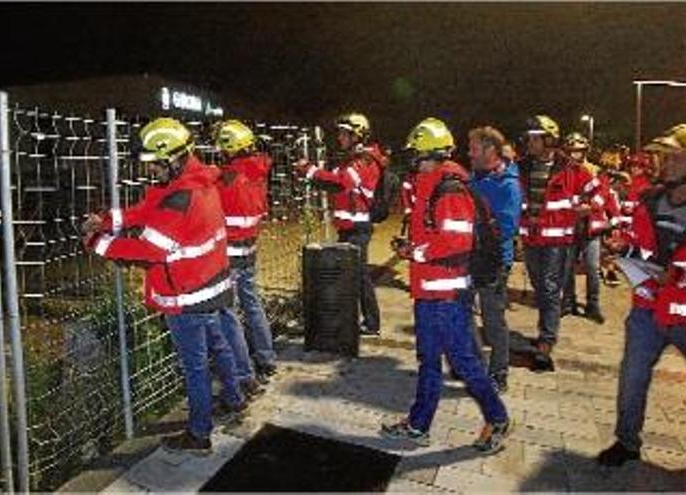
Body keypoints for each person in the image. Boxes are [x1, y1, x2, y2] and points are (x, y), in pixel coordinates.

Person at [83, 117, 244, 455]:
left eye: (155, 164)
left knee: (195, 367)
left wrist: (98, 243)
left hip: (185, 296)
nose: (151, 170)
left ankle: (199, 435)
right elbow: (149, 208)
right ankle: (235, 397)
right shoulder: (198, 181)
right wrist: (109, 220)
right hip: (211, 286)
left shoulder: (180, 199)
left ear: (172, 158)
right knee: (219, 344)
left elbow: (148, 249)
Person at [598, 124, 686, 480]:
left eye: (673, 157)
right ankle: (626, 442)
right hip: (647, 312)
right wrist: (623, 249)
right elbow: (642, 245)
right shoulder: (649, 201)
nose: (662, 164)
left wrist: (684, 277)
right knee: (632, 377)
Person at [380, 117, 513, 453]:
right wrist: (415, 249)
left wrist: (415, 251)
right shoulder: (432, 182)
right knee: (428, 360)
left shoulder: (449, 187)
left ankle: (498, 419)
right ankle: (418, 425)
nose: (412, 160)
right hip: (430, 290)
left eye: (416, 154)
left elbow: (456, 241)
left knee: (465, 362)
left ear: (430, 154)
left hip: (447, 294)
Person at [517, 116, 597, 371]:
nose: (529, 142)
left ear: (549, 139)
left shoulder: (570, 169)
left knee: (550, 288)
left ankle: (546, 343)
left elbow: (599, 191)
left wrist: (586, 209)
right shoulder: (522, 167)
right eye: (529, 137)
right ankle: (546, 329)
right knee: (540, 287)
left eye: (535, 137)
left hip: (558, 242)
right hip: (531, 238)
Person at [295, 112, 384, 335]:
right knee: (352, 276)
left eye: (345, 133)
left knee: (359, 276)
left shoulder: (364, 160)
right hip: (348, 228)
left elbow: (341, 182)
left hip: (357, 229)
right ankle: (356, 319)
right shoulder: (352, 158)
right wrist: (314, 175)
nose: (340, 138)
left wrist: (312, 171)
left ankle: (371, 322)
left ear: (358, 135)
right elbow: (334, 181)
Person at [212, 119, 279, 380]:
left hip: (229, 252)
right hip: (250, 247)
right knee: (252, 303)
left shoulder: (227, 177)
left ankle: (242, 372)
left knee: (228, 313)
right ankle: (266, 357)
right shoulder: (258, 169)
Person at [467, 126, 522, 392]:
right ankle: (474, 365)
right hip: (469, 258)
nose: (469, 153)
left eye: (474, 148)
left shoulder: (507, 184)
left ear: (490, 150)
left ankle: (499, 372)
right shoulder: (475, 177)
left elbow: (507, 227)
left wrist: (474, 230)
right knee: (461, 311)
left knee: (492, 319)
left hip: (494, 261)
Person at [561, 133, 616, 324]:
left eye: (579, 151)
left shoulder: (595, 171)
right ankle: (568, 302)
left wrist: (591, 207)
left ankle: (593, 305)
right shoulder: (563, 171)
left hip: (591, 226)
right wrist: (573, 207)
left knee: (592, 267)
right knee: (567, 267)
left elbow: (604, 193)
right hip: (570, 225)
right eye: (572, 151)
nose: (576, 155)